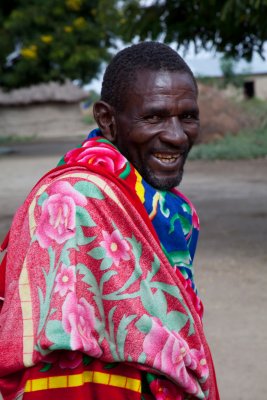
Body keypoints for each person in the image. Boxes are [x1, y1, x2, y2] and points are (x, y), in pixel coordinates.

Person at [0, 42, 219, 399]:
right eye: (154, 117)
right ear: (106, 119)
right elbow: (59, 354)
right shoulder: (72, 204)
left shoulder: (172, 211)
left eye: (188, 116)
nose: (177, 136)